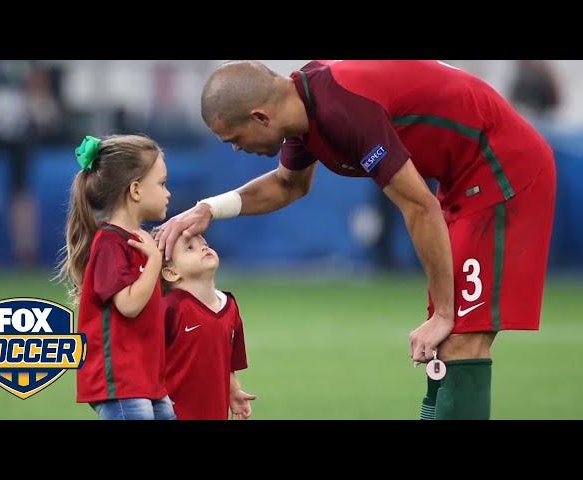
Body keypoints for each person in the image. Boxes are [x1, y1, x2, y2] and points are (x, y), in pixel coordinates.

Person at [156, 60, 556, 420]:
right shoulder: (305, 106)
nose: (238, 149)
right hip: (461, 181)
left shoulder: (342, 108)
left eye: (233, 139)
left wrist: (445, 312)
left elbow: (418, 208)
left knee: (461, 342)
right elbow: (287, 184)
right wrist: (208, 208)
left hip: (501, 170)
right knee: (447, 347)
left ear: (260, 117)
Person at [57, 134, 175, 420]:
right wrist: (155, 262)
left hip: (147, 378)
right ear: (135, 190)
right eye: (161, 183)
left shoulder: (139, 241)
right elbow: (129, 305)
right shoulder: (109, 243)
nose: (168, 192)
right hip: (120, 382)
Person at [159, 231, 255, 420]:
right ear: (170, 272)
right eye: (190, 248)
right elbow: (146, 360)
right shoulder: (170, 308)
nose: (203, 247)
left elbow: (227, 361)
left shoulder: (229, 305)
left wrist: (233, 391)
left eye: (204, 243)